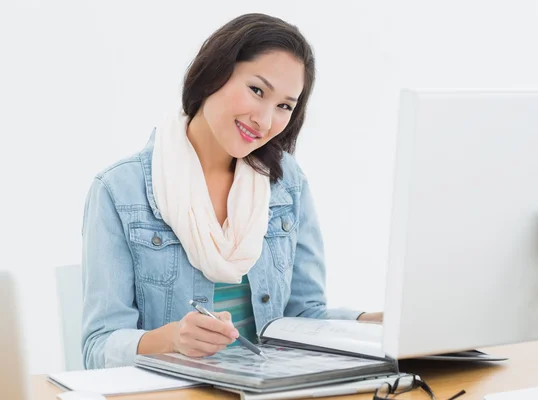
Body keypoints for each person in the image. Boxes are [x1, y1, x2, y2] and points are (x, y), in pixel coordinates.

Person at [81, 13, 382, 370]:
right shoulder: (119, 190)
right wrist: (172, 339)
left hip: (271, 388)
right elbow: (97, 348)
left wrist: (370, 323)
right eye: (257, 90)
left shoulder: (287, 183)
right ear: (213, 74)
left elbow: (304, 316)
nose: (265, 120)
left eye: (285, 106)